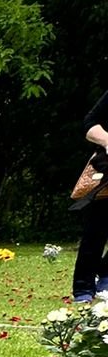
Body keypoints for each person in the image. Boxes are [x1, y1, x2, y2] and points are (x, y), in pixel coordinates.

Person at [72, 90, 108, 301]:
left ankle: (105, 274)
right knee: (97, 229)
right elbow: (90, 123)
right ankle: (83, 288)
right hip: (106, 171)